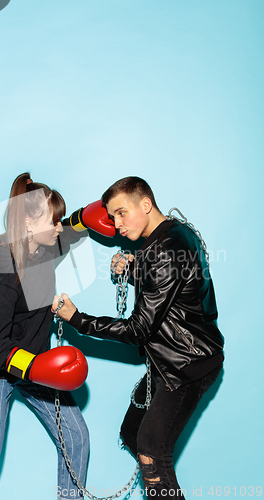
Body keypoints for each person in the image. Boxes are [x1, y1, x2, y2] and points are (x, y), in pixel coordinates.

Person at [52, 176, 224, 500]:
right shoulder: (172, 234)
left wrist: (77, 319)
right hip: (168, 358)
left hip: (187, 366)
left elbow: (138, 330)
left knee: (151, 451)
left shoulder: (168, 249)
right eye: (112, 216)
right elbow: (175, 289)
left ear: (145, 205)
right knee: (133, 433)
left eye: (121, 213)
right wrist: (133, 270)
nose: (116, 225)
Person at [0, 172, 114, 500]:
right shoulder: (9, 274)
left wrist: (87, 215)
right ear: (27, 224)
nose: (57, 228)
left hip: (34, 366)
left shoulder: (43, 249)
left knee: (76, 438)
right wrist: (37, 368)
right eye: (51, 222)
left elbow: (67, 232)